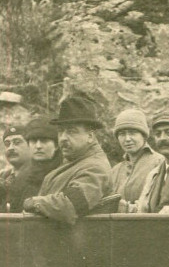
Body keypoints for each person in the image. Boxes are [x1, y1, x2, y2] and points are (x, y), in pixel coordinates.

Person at [22, 95, 113, 224]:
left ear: (90, 136)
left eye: (72, 131)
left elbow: (68, 205)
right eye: (61, 131)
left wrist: (33, 202)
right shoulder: (74, 162)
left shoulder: (95, 167)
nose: (63, 138)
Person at [109, 108, 164, 205]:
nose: (127, 139)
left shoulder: (160, 162)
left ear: (143, 135)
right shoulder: (115, 171)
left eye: (132, 133)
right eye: (122, 134)